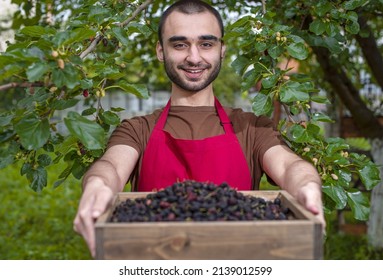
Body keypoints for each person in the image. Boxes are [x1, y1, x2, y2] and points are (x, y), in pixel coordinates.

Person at [73, 0, 325, 257]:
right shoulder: (138, 130)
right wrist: (98, 184)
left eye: (206, 44)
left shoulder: (251, 127)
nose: (194, 58)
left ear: (222, 49)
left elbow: (289, 166)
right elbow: (112, 167)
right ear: (161, 51)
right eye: (180, 44)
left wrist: (307, 185)